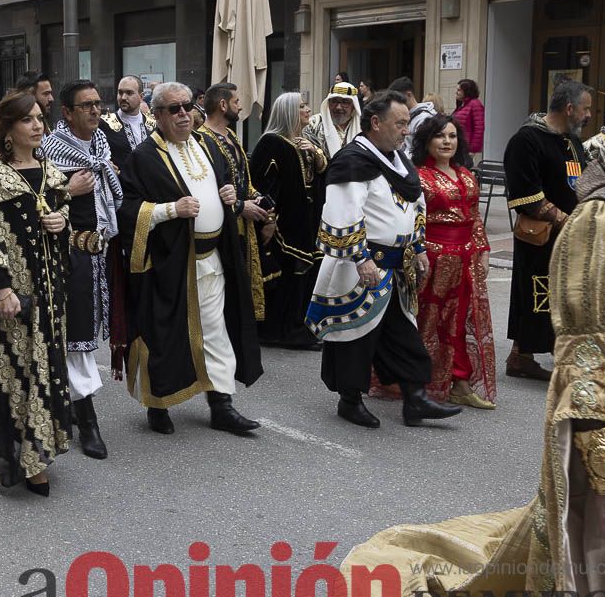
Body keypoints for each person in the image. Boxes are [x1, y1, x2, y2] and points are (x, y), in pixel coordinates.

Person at [337, 59, 605, 597]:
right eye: (433, 131)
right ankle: (400, 389)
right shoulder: (604, 211)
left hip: (459, 258)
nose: (445, 140)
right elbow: (590, 356)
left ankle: (427, 386)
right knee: (410, 337)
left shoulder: (535, 159)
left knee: (444, 334)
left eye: (450, 135)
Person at [305, 91, 461, 429]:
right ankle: (350, 401)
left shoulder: (397, 159)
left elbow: (415, 205)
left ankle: (415, 399)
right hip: (362, 266)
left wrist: (418, 247)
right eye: (400, 123)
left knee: (403, 334)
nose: (407, 130)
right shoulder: (352, 160)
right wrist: (361, 258)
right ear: (376, 123)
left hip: (396, 266)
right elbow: (343, 212)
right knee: (355, 338)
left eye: (407, 123)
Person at [117, 81, 262, 436]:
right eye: (173, 109)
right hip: (170, 264)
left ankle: (221, 404)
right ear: (158, 115)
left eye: (187, 107)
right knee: (164, 336)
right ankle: (158, 403)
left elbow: (223, 186)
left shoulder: (206, 146)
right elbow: (128, 211)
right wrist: (171, 210)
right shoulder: (143, 158)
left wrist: (229, 193)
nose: (184, 114)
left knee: (215, 332)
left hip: (213, 257)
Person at [0, 90, 72, 495]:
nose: (37, 125)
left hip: (51, 291)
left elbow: (65, 209)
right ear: (8, 129)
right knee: (16, 372)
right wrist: (1, 288)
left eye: (39, 118)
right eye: (28, 119)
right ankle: (25, 458)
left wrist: (61, 220)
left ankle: (42, 450)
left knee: (47, 368)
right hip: (14, 293)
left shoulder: (50, 169)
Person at [43, 79, 122, 461]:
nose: (95, 110)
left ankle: (71, 407)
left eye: (98, 103)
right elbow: (32, 202)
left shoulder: (100, 149)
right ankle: (86, 421)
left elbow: (111, 197)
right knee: (76, 340)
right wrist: (65, 191)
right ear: (67, 112)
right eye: (86, 105)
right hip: (65, 257)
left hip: (97, 254)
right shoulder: (49, 152)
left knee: (85, 335)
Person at [503, 80, 591, 380]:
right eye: (585, 108)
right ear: (569, 108)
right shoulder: (526, 140)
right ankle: (526, 356)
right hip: (540, 239)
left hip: (571, 238)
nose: (589, 114)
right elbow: (526, 194)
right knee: (536, 296)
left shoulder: (572, 141)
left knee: (567, 298)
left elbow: (581, 181)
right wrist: (566, 221)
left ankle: (531, 356)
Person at [408, 114, 496, 408]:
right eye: (440, 136)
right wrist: (419, 254)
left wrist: (482, 250)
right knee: (427, 322)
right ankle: (416, 383)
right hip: (432, 259)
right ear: (427, 141)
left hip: (465, 258)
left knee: (458, 324)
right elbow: (411, 221)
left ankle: (459, 382)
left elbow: (474, 218)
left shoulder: (467, 174)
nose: (447, 141)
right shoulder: (418, 176)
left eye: (452, 136)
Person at [250, 92, 326, 350]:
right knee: (286, 278)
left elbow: (318, 179)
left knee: (303, 278)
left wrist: (316, 156)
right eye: (302, 106)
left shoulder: (304, 142)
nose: (307, 110)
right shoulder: (272, 143)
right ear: (289, 112)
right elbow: (261, 184)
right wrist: (269, 218)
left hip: (305, 223)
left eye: (306, 105)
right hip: (284, 225)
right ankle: (281, 331)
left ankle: (298, 327)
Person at [196, 82, 276, 323]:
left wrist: (260, 200)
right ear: (223, 105)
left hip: (245, 230)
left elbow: (244, 181)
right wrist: (241, 207)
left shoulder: (231, 135)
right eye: (237, 102)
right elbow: (207, 191)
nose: (241, 107)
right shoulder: (200, 140)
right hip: (222, 231)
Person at [101, 75, 156, 171]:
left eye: (129, 93)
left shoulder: (153, 125)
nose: (123, 97)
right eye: (120, 92)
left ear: (141, 96)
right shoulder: (104, 124)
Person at [303, 81, 362, 160]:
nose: (338, 107)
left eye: (345, 102)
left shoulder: (363, 127)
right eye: (334, 101)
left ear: (354, 106)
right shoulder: (313, 123)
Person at [453, 78, 486, 165]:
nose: (456, 92)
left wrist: (473, 150)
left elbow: (479, 128)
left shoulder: (475, 104)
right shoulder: (462, 104)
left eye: (459, 90)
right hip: (459, 146)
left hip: (466, 148)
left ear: (466, 91)